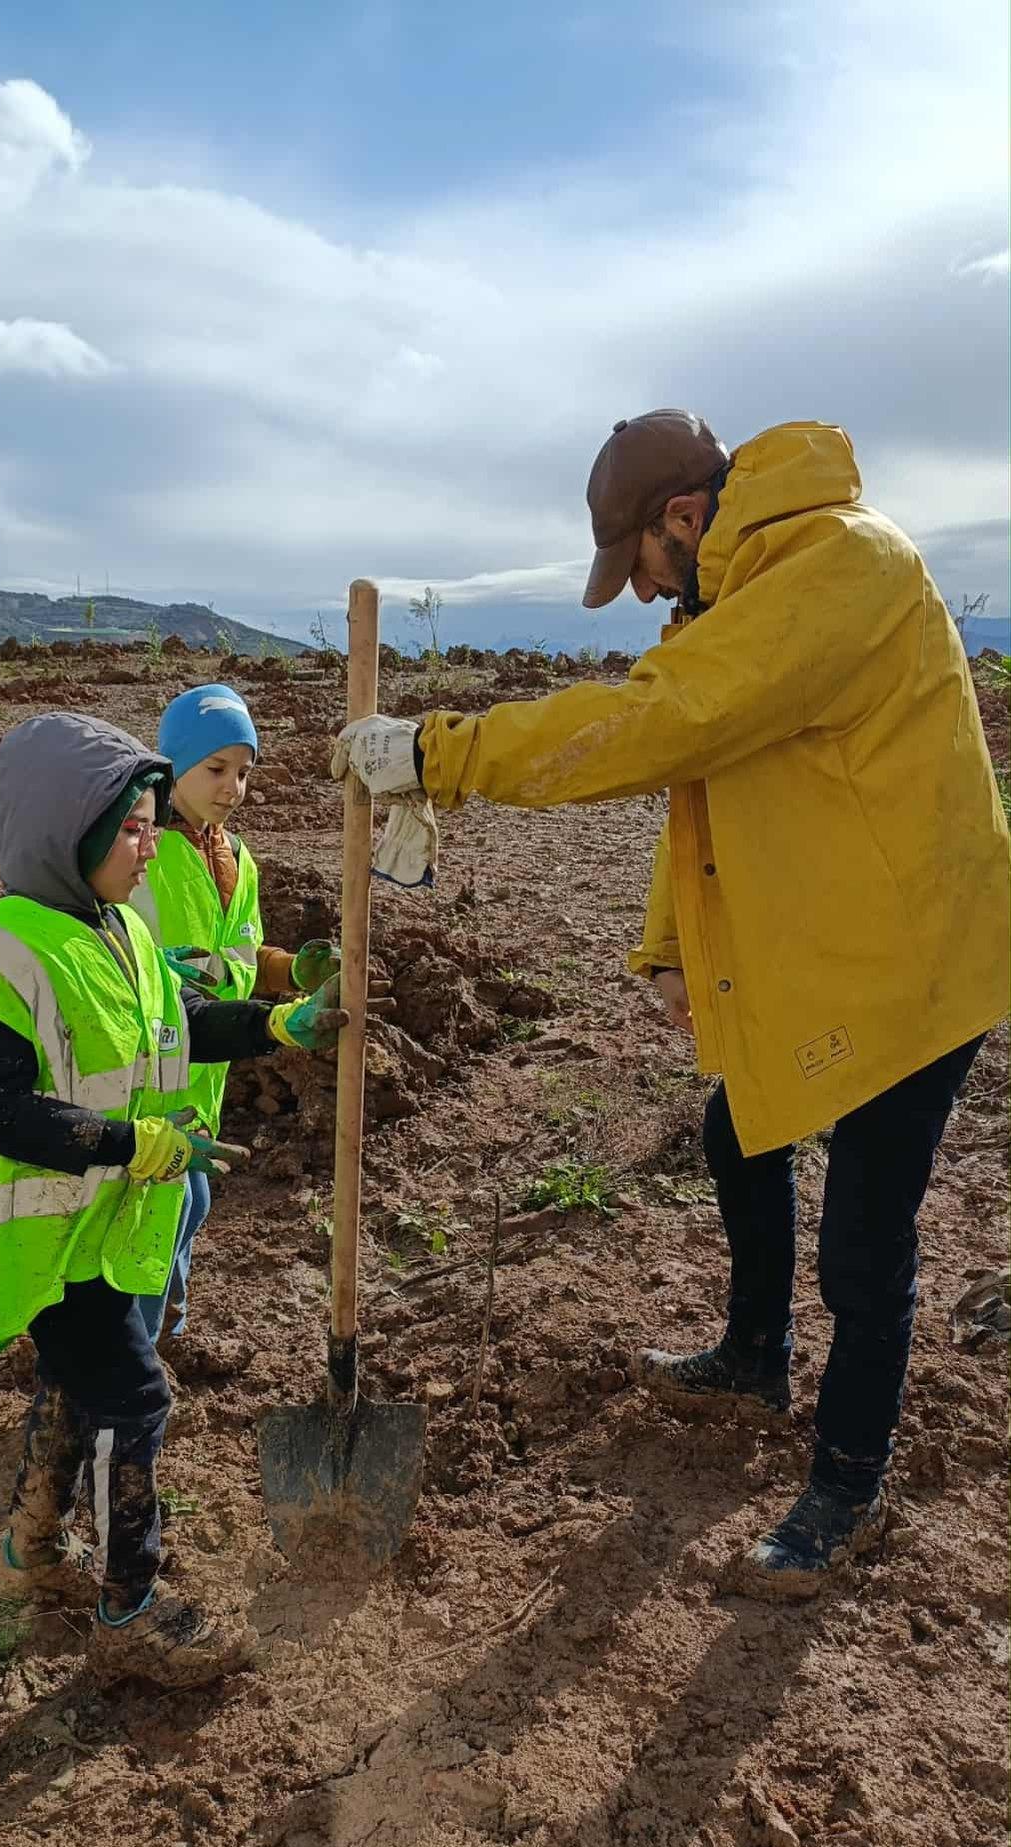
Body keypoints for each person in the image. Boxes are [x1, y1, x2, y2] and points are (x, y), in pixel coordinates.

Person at [333, 412, 1010, 1589]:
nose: (647, 598)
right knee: (736, 1127)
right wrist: (667, 946)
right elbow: (704, 771)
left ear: (683, 521)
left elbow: (661, 722)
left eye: (640, 569)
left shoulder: (848, 566)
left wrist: (439, 752)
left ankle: (845, 1479)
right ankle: (755, 1353)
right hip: (841, 943)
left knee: (863, 1236)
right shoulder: (747, 605)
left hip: (924, 956)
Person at [0, 712, 356, 1687]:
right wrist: (133, 1143)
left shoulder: (121, 936)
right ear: (69, 834)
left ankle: (28, 1545)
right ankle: (129, 1605)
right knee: (135, 1400)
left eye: (153, 824)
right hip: (54, 1245)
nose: (154, 845)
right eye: (136, 829)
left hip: (109, 1234)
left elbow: (183, 1023)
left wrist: (284, 1021)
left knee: (81, 1389)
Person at [129, 684, 338, 1349]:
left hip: (206, 1065)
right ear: (172, 767)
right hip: (145, 1062)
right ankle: (135, 1346)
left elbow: (241, 956)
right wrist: (153, 964)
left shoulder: (236, 858)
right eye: (215, 769)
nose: (233, 786)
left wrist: (291, 973)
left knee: (189, 1204)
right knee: (162, 1207)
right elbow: (103, 941)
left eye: (244, 771)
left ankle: (165, 1327)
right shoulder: (140, 848)